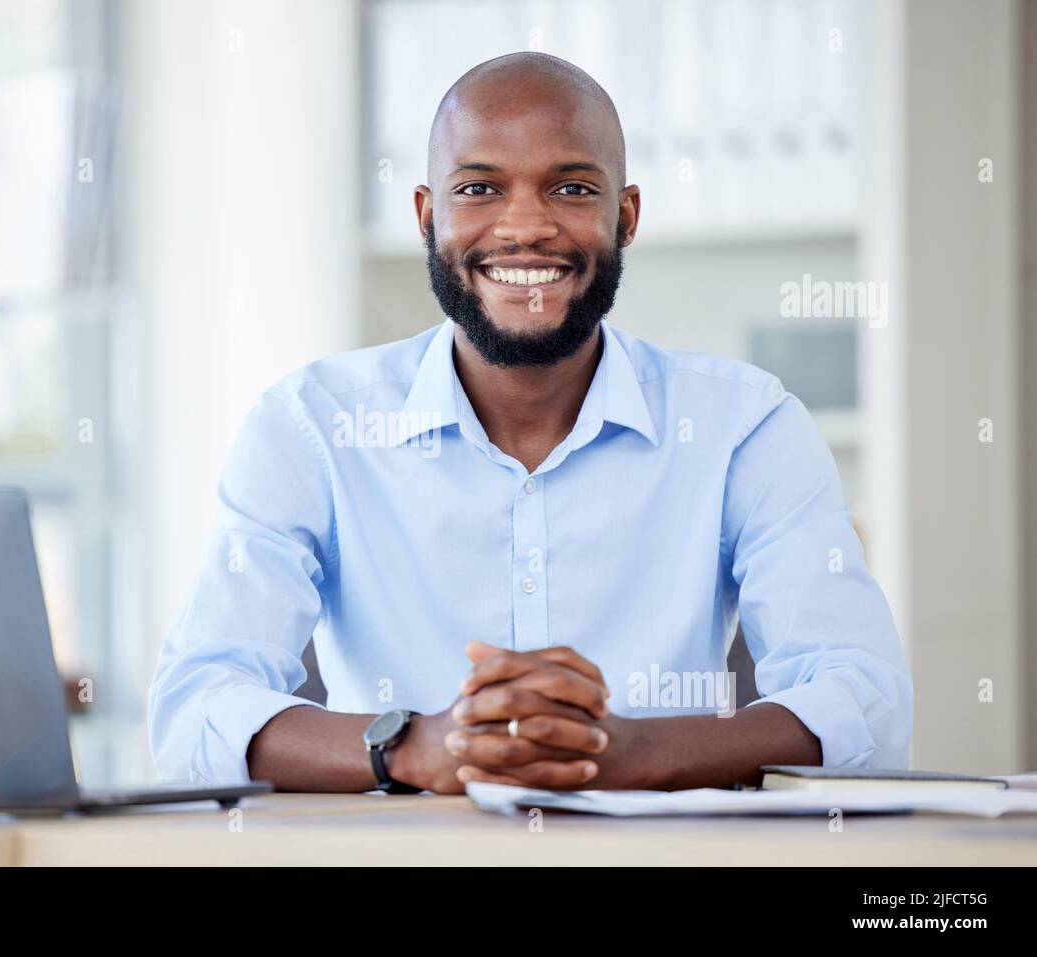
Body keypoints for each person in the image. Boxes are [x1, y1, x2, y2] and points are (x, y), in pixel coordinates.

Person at [148, 52, 912, 794]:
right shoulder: (309, 427)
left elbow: (867, 704)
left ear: (626, 215)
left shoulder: (747, 425)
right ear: (427, 216)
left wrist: (636, 750)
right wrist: (414, 746)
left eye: (572, 188)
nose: (524, 227)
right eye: (479, 187)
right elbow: (194, 713)